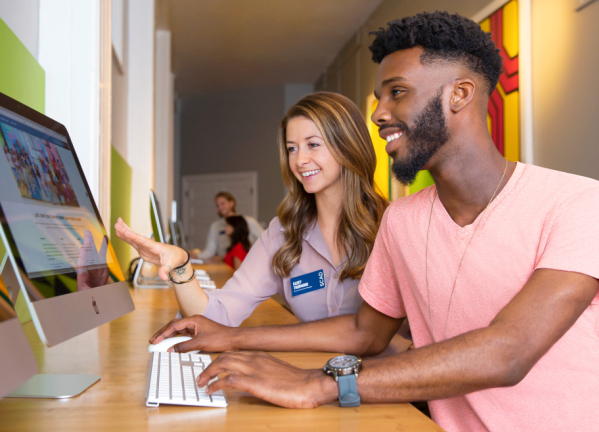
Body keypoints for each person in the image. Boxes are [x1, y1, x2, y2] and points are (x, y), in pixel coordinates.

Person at [148, 11, 599, 432]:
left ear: (460, 95)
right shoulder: (403, 221)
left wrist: (319, 383)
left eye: (397, 93)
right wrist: (232, 337)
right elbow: (366, 334)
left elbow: (508, 353)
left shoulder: (582, 202)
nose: (379, 114)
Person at [115, 92, 392, 330]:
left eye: (313, 144)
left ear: (348, 144)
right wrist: (179, 265)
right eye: (292, 148)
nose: (300, 160)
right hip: (318, 384)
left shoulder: (393, 226)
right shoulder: (283, 235)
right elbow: (219, 315)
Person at [193, 192, 264, 263]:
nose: (220, 207)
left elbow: (265, 239)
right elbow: (210, 250)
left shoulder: (248, 221)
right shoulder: (215, 226)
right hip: (225, 263)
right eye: (217, 205)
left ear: (232, 203)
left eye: (222, 203)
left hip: (243, 263)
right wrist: (197, 256)